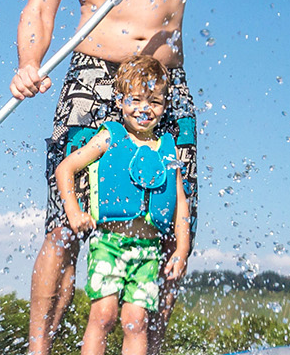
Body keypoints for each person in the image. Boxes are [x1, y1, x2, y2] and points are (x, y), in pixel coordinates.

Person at [14, 0, 274, 353]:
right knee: (67, 223)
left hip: (162, 84)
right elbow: (40, 5)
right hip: (92, 76)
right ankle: (38, 349)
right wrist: (29, 63)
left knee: (164, 228)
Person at [54, 56, 190, 355]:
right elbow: (65, 169)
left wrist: (181, 250)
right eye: (136, 99)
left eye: (154, 101)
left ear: (165, 105)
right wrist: (74, 213)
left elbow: (181, 203)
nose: (144, 108)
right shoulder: (109, 136)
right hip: (109, 243)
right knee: (103, 316)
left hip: (148, 251)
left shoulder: (167, 148)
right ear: (120, 100)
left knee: (136, 322)